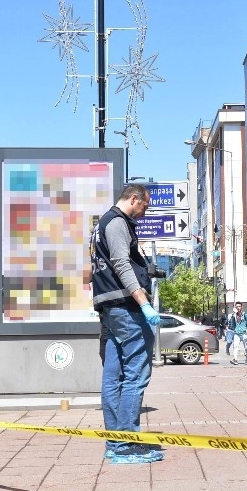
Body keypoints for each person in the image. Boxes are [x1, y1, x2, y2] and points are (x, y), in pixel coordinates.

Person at [90, 184, 164, 464]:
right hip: (126, 307)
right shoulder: (118, 222)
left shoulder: (100, 225)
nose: (145, 213)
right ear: (134, 199)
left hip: (110, 308)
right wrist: (143, 302)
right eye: (144, 206)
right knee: (136, 376)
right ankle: (127, 444)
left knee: (112, 377)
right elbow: (121, 264)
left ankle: (115, 442)